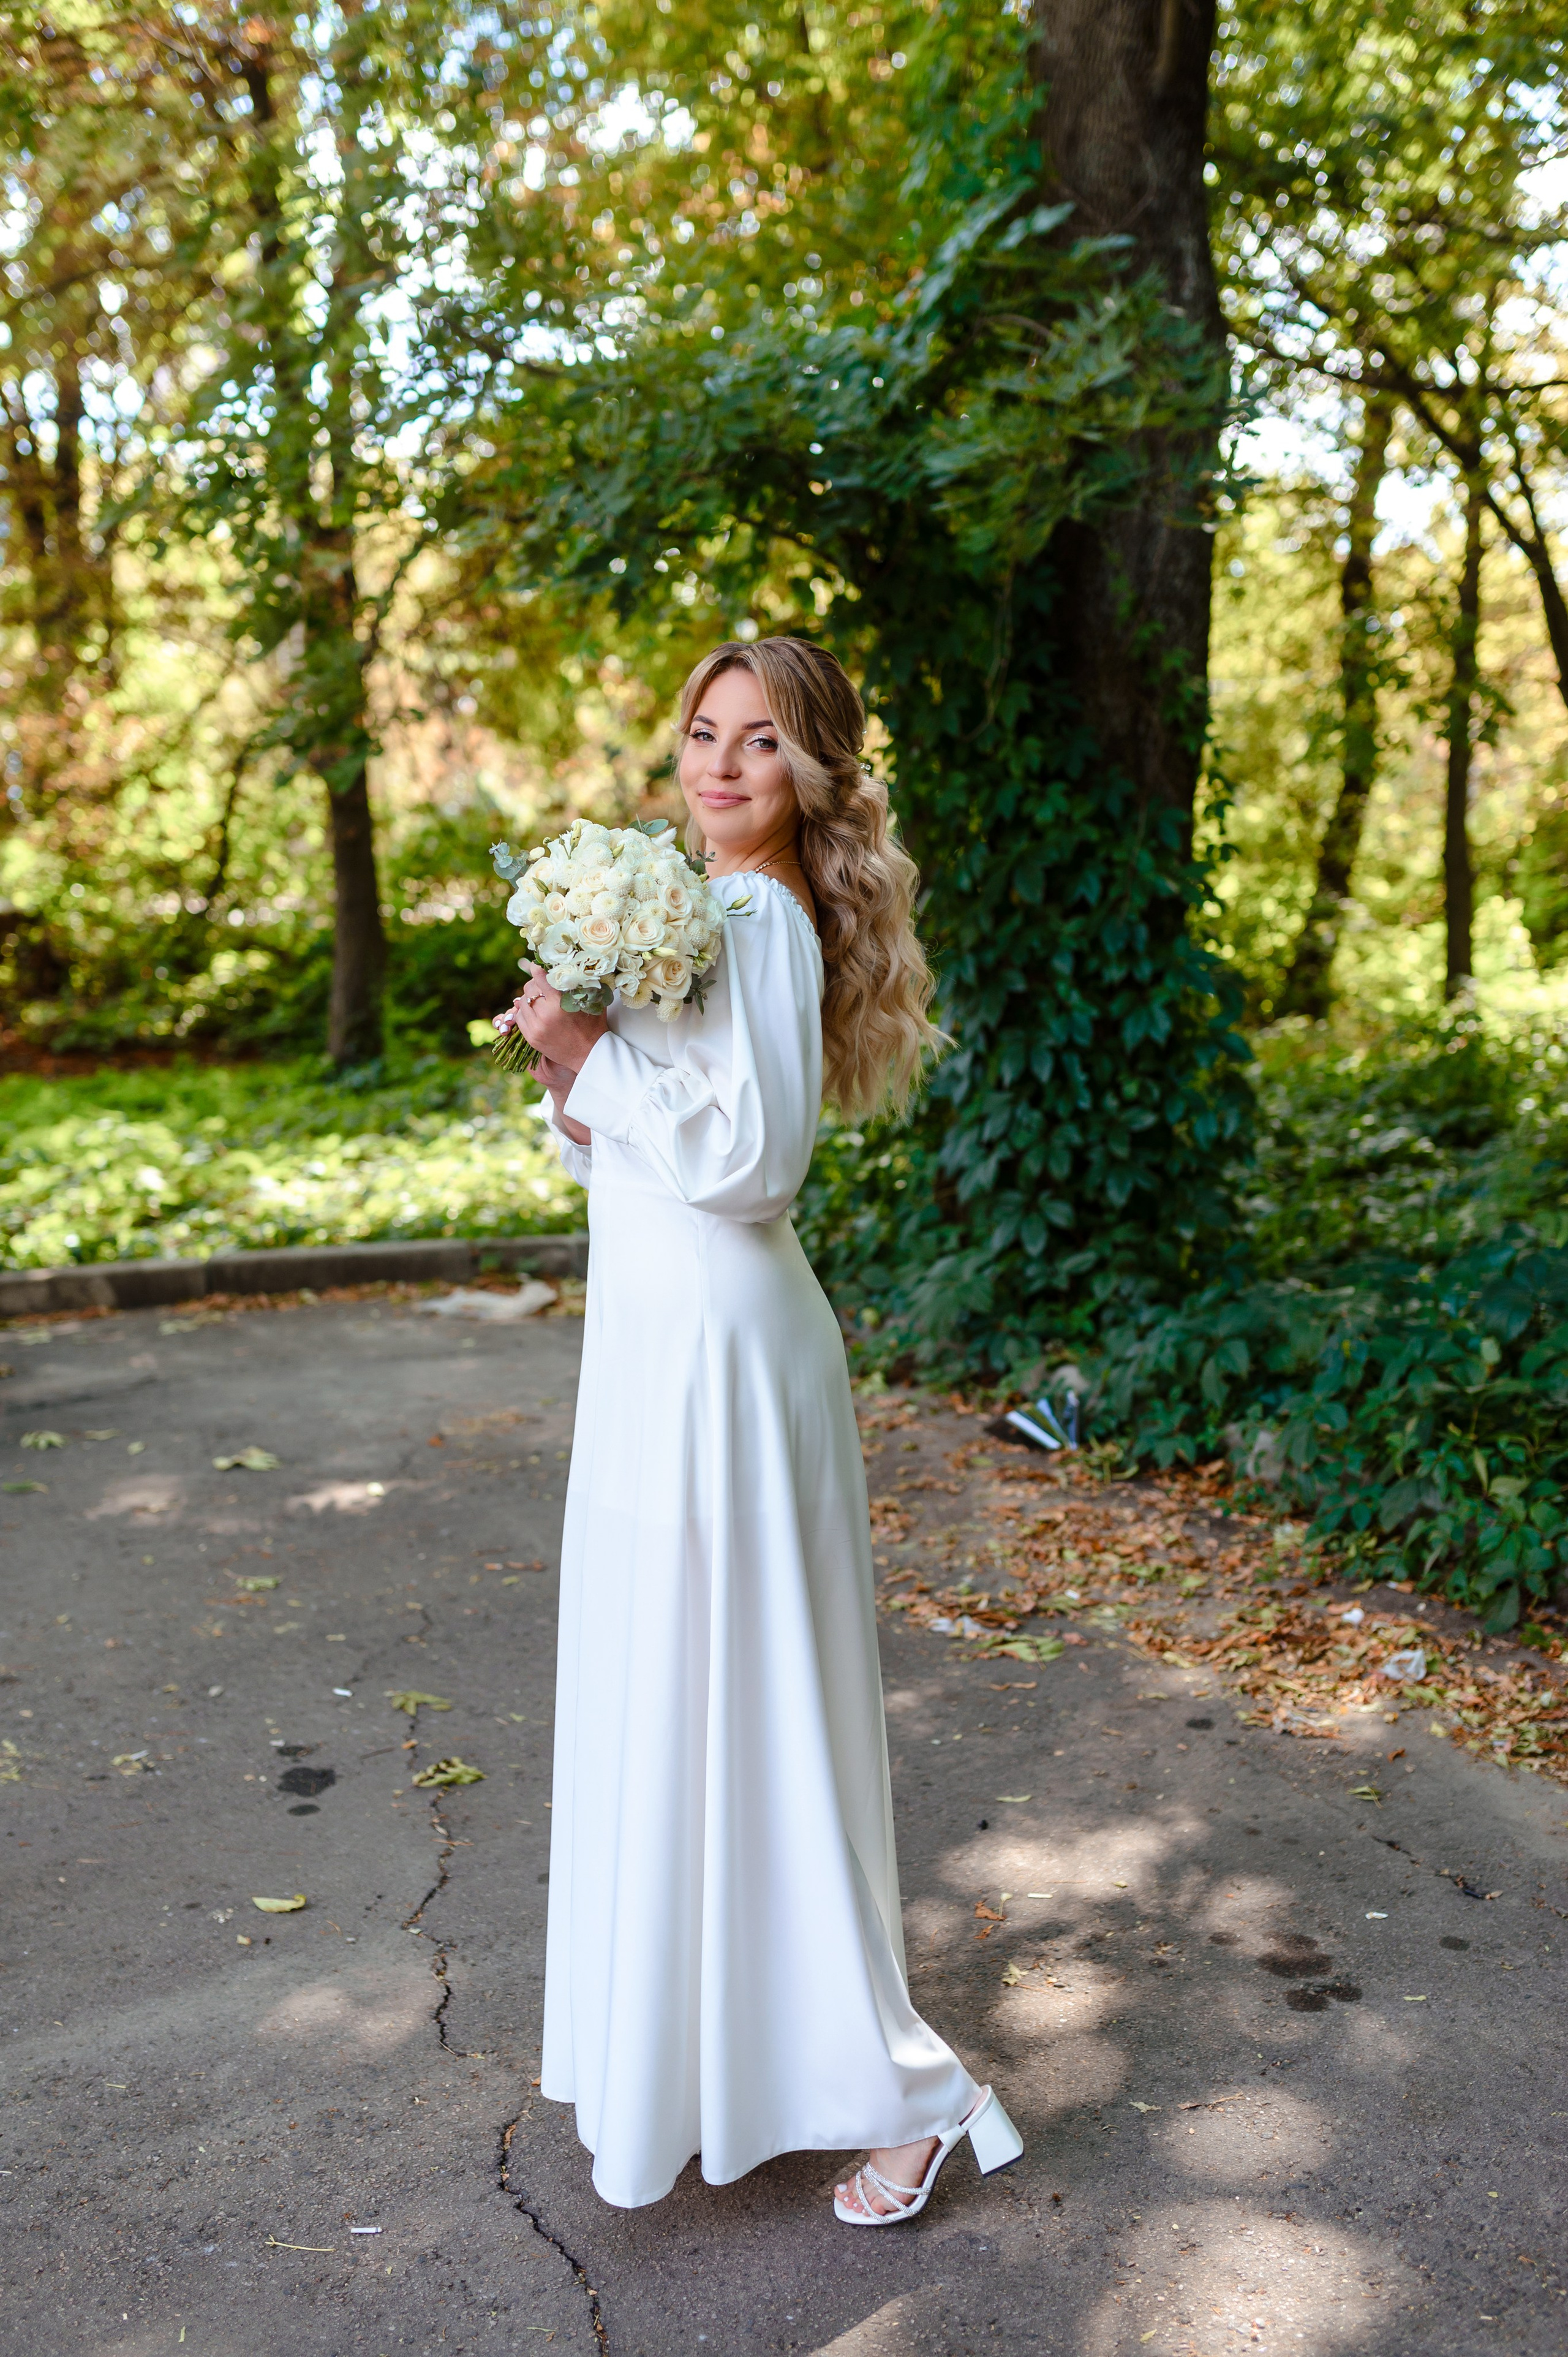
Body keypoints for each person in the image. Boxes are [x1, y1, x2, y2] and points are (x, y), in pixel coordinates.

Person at [509, 635, 1023, 2222]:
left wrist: (593, 1060)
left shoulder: (758, 916)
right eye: (702, 734)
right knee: (682, 1704)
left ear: (814, 774)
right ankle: (709, 2058)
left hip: (728, 1356)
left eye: (762, 742)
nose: (720, 765)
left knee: (762, 1723)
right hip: (659, 1344)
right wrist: (568, 1055)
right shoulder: (693, 908)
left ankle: (915, 2099)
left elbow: (752, 1170)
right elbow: (636, 1155)